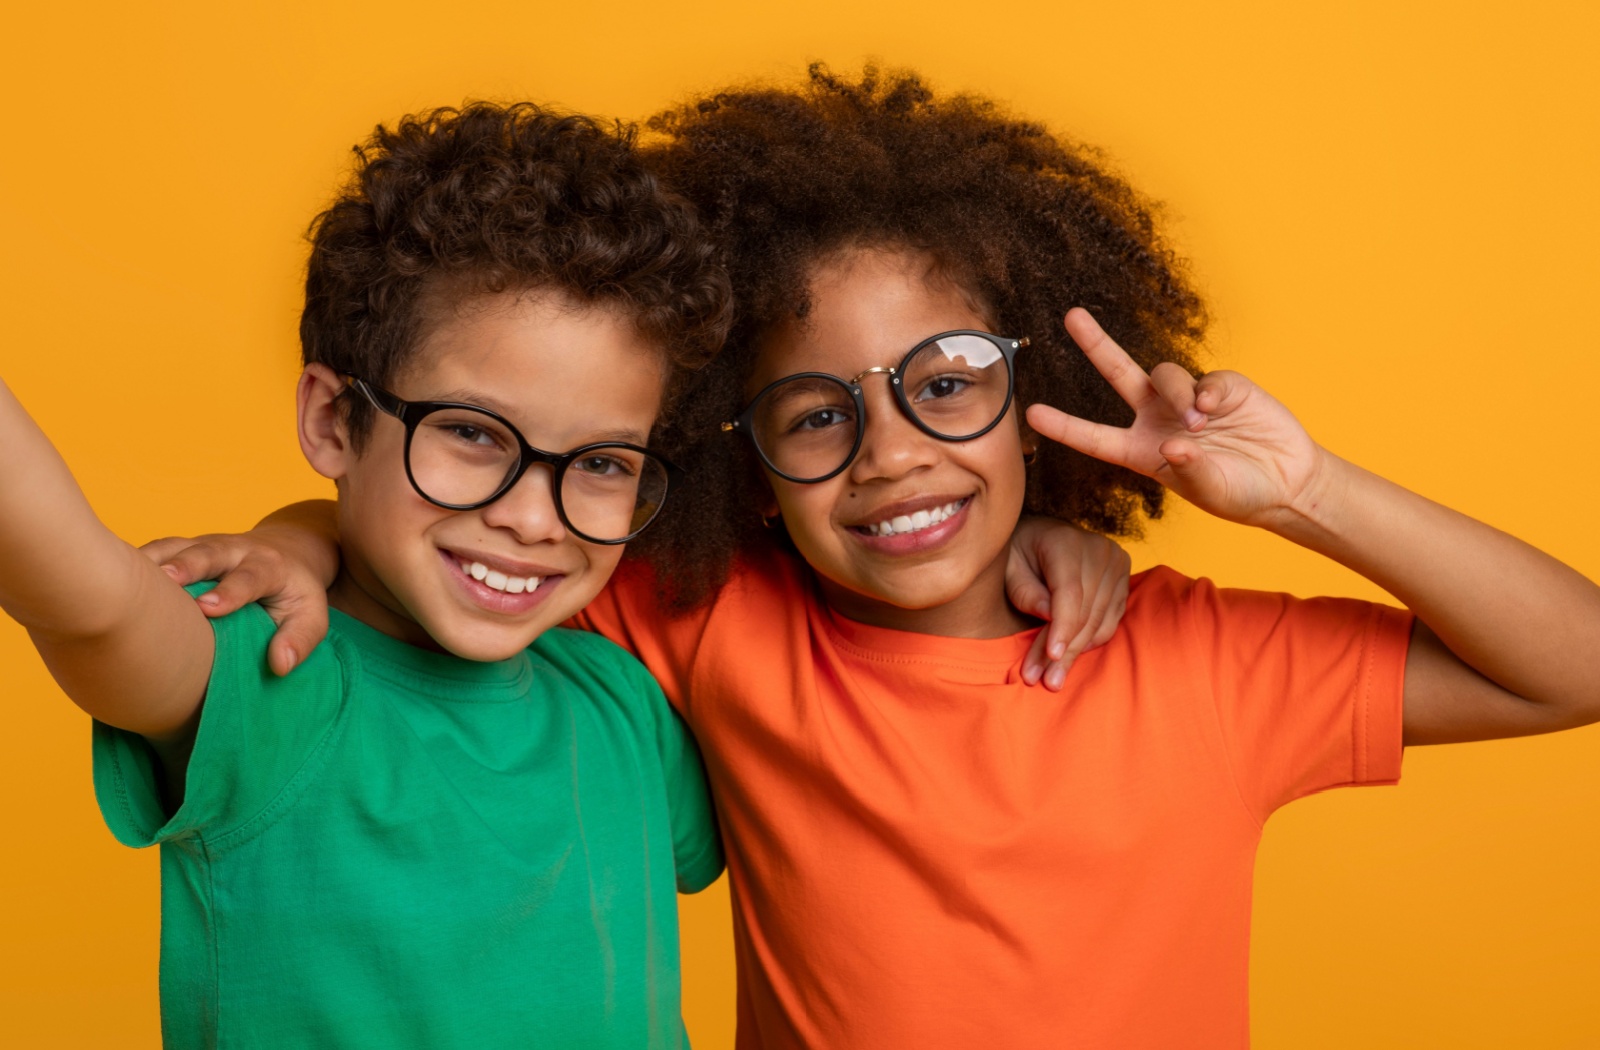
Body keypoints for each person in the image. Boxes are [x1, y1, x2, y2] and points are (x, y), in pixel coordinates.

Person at [148, 66, 1600, 1049]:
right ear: (737, 453)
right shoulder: (712, 626)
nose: (893, 449)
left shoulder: (1199, 658)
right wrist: (300, 541)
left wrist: (1306, 494)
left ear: (1043, 392)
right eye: (815, 412)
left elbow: (1573, 662)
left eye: (950, 380)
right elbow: (467, 532)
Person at [0, 102, 734, 1049]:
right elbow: (88, 602)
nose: (531, 516)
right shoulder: (275, 672)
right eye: (472, 434)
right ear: (335, 423)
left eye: (600, 463)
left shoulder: (622, 705)